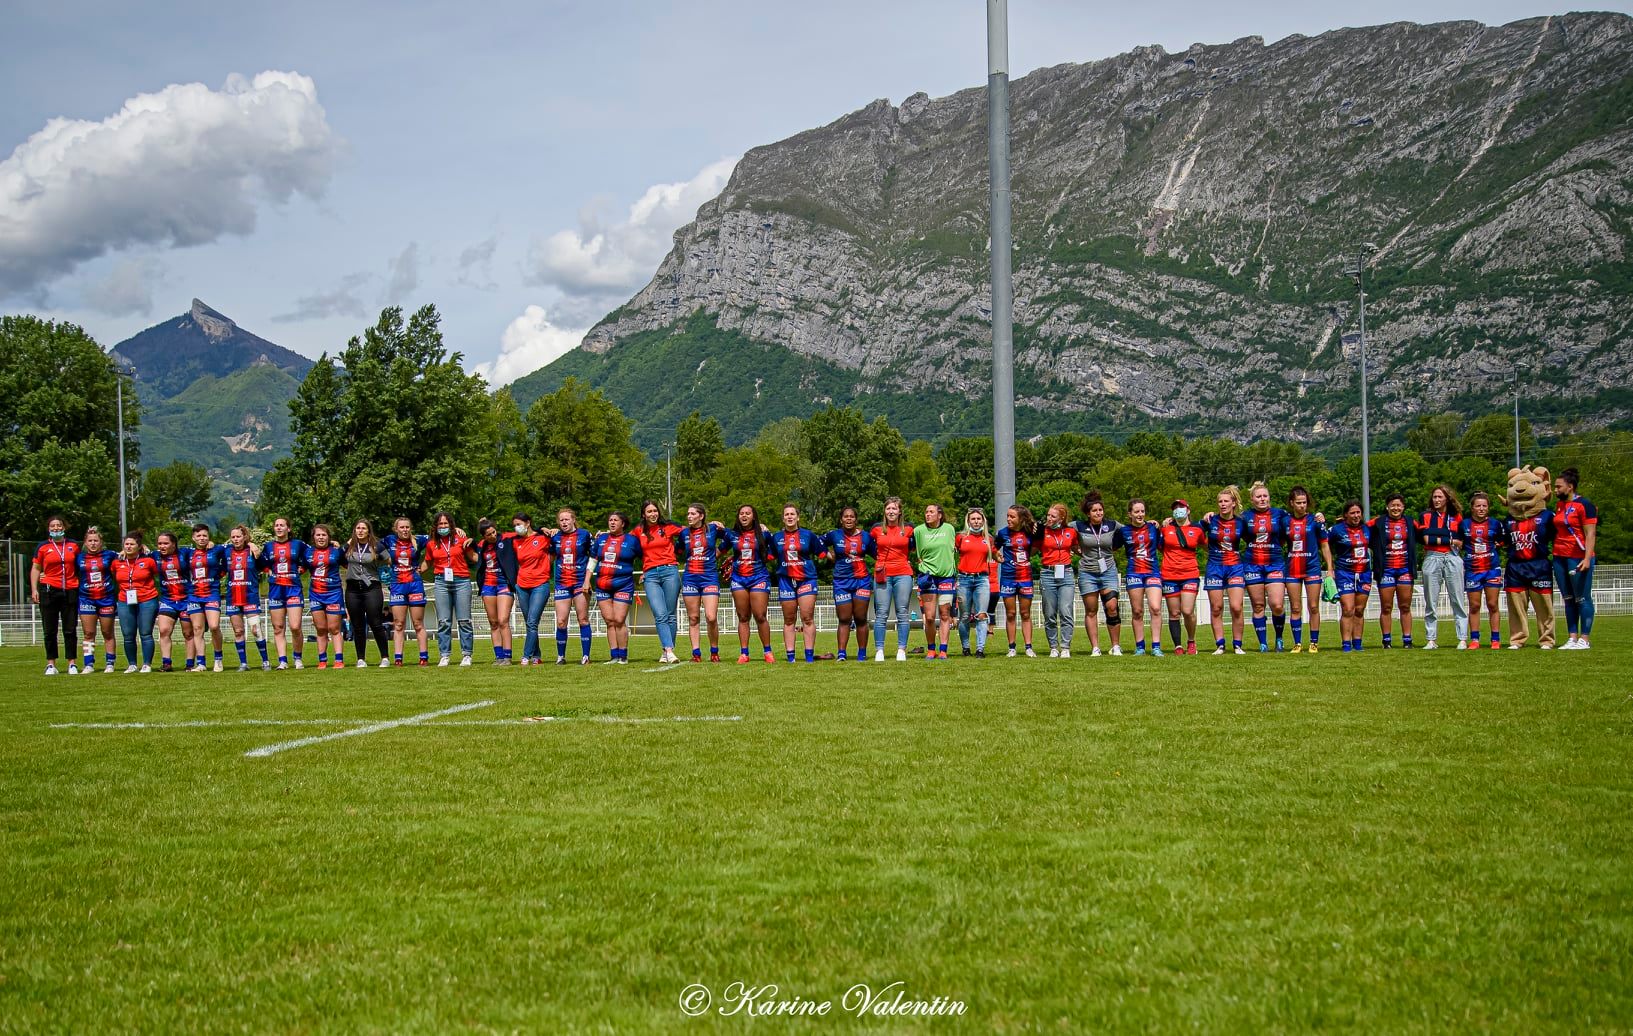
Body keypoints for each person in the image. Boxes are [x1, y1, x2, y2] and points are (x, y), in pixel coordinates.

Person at [770, 504, 827, 662]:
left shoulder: (808, 535)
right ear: (783, 518)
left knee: (807, 618)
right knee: (789, 619)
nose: (789, 517)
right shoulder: (776, 537)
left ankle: (809, 656)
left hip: (807, 579)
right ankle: (791, 657)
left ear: (798, 517)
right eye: (786, 514)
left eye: (792, 514)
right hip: (785, 580)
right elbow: (768, 556)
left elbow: (822, 553)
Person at [1414, 485, 1467, 650]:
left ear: (1447, 498)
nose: (1437, 500)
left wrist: (1439, 536)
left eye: (1440, 497)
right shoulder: (1426, 515)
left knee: (1457, 599)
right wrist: (1449, 539)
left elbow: (1461, 540)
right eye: (1435, 497)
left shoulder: (1456, 517)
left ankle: (1462, 638)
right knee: (1431, 600)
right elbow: (1426, 538)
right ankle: (1431, 639)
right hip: (1432, 557)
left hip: (1452, 557)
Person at [723, 505, 777, 663]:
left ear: (754, 516)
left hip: (759, 577)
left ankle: (767, 651)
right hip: (738, 578)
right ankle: (744, 653)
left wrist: (766, 559)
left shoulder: (764, 534)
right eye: (741, 513)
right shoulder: (732, 535)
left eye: (748, 513)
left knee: (760, 615)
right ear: (738, 516)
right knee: (743, 617)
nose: (744, 516)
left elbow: (774, 550)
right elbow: (719, 550)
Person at [1242, 482, 1291, 652]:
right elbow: (1238, 534)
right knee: (1258, 606)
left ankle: (1279, 638)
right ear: (1252, 499)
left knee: (1277, 604)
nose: (1262, 499)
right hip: (1252, 565)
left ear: (1269, 498)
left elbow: (1290, 532)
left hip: (1275, 563)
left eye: (1265, 496)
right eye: (1259, 496)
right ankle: (1263, 643)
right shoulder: (1245, 516)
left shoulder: (1280, 514)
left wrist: (1318, 517)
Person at [1552, 468, 1598, 650]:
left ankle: (1584, 638)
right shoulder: (1560, 505)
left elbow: (1591, 533)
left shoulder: (1584, 505)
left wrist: (1587, 559)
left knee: (1582, 598)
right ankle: (1572, 637)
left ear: (1570, 487)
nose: (1555, 490)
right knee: (1568, 598)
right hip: (1559, 556)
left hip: (1577, 556)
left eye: (1558, 487)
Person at [1505, 488, 1556, 650]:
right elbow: (1504, 541)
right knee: (1516, 608)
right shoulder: (1508, 519)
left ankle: (1546, 640)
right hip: (1515, 566)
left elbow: (1557, 535)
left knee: (1544, 607)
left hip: (1539, 565)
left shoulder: (1547, 516)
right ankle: (1517, 639)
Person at [635, 501, 685, 664]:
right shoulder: (638, 530)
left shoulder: (669, 527)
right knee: (660, 614)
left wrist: (711, 525)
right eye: (649, 511)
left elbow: (692, 531)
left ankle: (667, 650)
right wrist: (605, 534)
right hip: (650, 575)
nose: (652, 514)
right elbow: (622, 539)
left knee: (670, 614)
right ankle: (669, 651)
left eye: (655, 511)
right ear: (643, 514)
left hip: (670, 571)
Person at [589, 512, 642, 664]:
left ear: (623, 523)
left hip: (623, 584)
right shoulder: (601, 539)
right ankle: (614, 656)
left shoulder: (632, 540)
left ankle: (623, 656)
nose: (612, 523)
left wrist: (645, 572)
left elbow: (645, 556)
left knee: (619, 620)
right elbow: (593, 559)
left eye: (615, 520)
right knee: (609, 621)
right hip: (602, 585)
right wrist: (587, 580)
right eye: (610, 520)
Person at [1072, 491, 1121, 657]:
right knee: (1091, 610)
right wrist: (1076, 550)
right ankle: (1095, 647)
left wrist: (1152, 523)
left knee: (1112, 607)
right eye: (1094, 511)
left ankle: (1115, 646)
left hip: (1108, 570)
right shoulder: (1078, 526)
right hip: (1088, 573)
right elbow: (1062, 530)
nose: (1098, 513)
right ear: (1088, 513)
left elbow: (1132, 528)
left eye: (1100, 510)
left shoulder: (1113, 525)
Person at [30, 516, 81, 675]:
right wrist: (34, 589)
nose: (56, 528)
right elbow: (36, 568)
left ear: (64, 527)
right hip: (49, 590)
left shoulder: (73, 545)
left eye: (59, 525)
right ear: (48, 528)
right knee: (50, 629)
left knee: (70, 629)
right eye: (53, 526)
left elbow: (81, 563)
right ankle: (51, 664)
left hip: (70, 589)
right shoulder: (43, 547)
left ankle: (72, 663)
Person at [678, 505, 729, 662]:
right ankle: (696, 654)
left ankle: (714, 651)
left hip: (709, 577)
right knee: (693, 618)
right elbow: (677, 551)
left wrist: (719, 552)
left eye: (693, 513)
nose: (689, 516)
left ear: (701, 516)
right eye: (688, 513)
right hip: (690, 578)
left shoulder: (713, 528)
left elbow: (732, 538)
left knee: (711, 617)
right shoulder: (684, 533)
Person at [824, 507, 874, 661]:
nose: (849, 519)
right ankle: (841, 654)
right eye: (846, 516)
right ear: (841, 520)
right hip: (841, 582)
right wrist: (827, 555)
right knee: (844, 618)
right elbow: (816, 543)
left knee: (860, 618)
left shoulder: (866, 537)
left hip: (862, 581)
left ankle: (862, 653)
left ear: (856, 519)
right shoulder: (834, 535)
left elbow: (879, 553)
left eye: (852, 516)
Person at [1201, 488, 1247, 655]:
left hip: (1235, 567)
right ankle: (1220, 645)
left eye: (1226, 501)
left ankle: (1237, 645)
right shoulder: (1210, 520)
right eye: (1220, 501)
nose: (1223, 504)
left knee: (1236, 607)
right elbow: (1191, 531)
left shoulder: (1241, 522)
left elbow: (1253, 540)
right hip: (1214, 567)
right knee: (1216, 607)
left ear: (1233, 503)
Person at [258, 517, 308, 670]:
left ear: (289, 528)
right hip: (275, 589)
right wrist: (268, 570)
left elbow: (311, 556)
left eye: (282, 525)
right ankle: (283, 661)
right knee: (278, 627)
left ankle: (298, 658)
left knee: (295, 626)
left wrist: (302, 569)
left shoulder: (298, 544)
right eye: (276, 525)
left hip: (293, 588)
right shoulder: (268, 546)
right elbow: (261, 563)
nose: (279, 528)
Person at [425, 512, 474, 667]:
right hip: (441, 582)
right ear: (436, 526)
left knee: (464, 620)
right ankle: (444, 655)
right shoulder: (431, 543)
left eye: (446, 524)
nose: (443, 527)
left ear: (451, 525)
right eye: (440, 524)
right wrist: (414, 571)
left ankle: (467, 655)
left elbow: (474, 557)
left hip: (461, 581)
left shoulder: (461, 539)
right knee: (444, 621)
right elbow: (427, 562)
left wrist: (476, 542)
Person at [1282, 487, 1327, 654]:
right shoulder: (1285, 521)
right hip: (1292, 569)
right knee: (1295, 608)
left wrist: (1330, 568)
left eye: (1304, 502)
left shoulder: (1315, 521)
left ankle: (1314, 642)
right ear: (1292, 503)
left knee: (1313, 606)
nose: (1302, 506)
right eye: (1299, 503)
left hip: (1312, 567)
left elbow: (1324, 545)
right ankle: (1297, 643)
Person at [870, 497, 915, 662]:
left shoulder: (909, 528)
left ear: (900, 511)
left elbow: (916, 546)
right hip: (883, 574)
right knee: (881, 613)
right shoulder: (876, 529)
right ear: (884, 511)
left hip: (903, 573)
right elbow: (868, 547)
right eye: (888, 509)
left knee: (902, 612)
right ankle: (879, 650)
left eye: (894, 509)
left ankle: (901, 649)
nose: (891, 512)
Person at [380, 517, 430, 666]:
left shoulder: (419, 540)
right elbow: (373, 544)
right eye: (401, 527)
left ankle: (423, 658)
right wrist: (387, 559)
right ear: (396, 529)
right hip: (397, 585)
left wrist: (425, 565)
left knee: (418, 623)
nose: (405, 530)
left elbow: (437, 540)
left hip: (415, 584)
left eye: (407, 527)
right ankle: (398, 659)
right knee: (399, 623)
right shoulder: (389, 540)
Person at [505, 513, 554, 665]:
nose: (516, 527)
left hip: (540, 584)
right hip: (522, 585)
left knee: (532, 622)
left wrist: (546, 566)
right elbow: (499, 536)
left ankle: (526, 655)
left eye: (519, 524)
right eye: (514, 525)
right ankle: (536, 655)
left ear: (527, 523)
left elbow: (556, 546)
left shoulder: (542, 538)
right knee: (529, 623)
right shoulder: (515, 541)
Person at [1370, 494, 1418, 648]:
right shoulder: (1378, 522)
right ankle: (1386, 641)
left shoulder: (1410, 522)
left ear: (1403, 507)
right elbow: (1362, 530)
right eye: (1393, 505)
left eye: (1399, 505)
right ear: (1387, 507)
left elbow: (1424, 534)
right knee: (1386, 607)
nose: (1396, 508)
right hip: (1386, 570)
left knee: (1405, 606)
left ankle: (1407, 640)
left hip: (1405, 569)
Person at [343, 520, 391, 667]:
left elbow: (389, 560)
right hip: (353, 589)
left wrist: (384, 572)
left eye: (364, 528)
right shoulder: (349, 546)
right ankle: (361, 659)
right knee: (357, 625)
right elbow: (338, 556)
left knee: (375, 622)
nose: (360, 531)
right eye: (358, 528)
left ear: (369, 531)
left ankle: (384, 657)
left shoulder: (377, 546)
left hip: (372, 587)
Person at [1159, 499, 1205, 655]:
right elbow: (1158, 547)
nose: (1178, 510)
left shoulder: (1197, 529)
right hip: (1169, 574)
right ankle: (1178, 646)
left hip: (1190, 574)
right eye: (1175, 508)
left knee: (1187, 610)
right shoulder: (1166, 529)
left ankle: (1191, 641)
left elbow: (1207, 546)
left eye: (1181, 507)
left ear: (1188, 510)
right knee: (1174, 613)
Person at [912, 503, 958, 660]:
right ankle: (931, 649)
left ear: (939, 515)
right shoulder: (918, 531)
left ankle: (943, 650)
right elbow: (914, 550)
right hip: (927, 577)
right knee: (930, 617)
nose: (927, 514)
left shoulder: (949, 529)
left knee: (945, 615)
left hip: (946, 577)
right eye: (926, 512)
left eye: (931, 512)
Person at [1460, 492, 1505, 649]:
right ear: (1472, 508)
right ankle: (1475, 640)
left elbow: (1503, 541)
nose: (1481, 508)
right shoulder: (1464, 524)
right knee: (1474, 605)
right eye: (1478, 506)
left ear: (1488, 508)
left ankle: (1495, 639)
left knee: (1493, 604)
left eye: (1484, 506)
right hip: (1472, 569)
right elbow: (1458, 542)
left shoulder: (1496, 524)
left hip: (1491, 568)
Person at [110, 532, 160, 673]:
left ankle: (146, 664)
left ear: (139, 546)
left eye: (132, 544)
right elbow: (113, 574)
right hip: (125, 600)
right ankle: (132, 664)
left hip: (147, 599)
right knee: (128, 634)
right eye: (126, 544)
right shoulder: (117, 562)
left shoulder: (149, 561)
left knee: (145, 633)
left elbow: (157, 573)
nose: (129, 547)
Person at [993, 505, 1038, 657]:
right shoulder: (1003, 533)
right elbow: (993, 548)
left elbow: (1035, 549)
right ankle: (1011, 647)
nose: (1008, 519)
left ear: (1021, 519)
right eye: (1008, 516)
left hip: (1025, 577)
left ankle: (1028, 647)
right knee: (1010, 613)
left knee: (1025, 613)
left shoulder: (1030, 532)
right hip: (1008, 577)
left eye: (1012, 517)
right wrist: (997, 556)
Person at [1328, 500, 1373, 652]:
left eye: (1358, 512)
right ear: (1345, 515)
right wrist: (1330, 566)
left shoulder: (1367, 529)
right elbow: (1324, 544)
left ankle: (1358, 643)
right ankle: (1346, 643)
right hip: (1344, 573)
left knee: (1359, 609)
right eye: (1352, 513)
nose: (1356, 515)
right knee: (1348, 609)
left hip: (1364, 573)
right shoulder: (1336, 530)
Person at [1119, 500, 1162, 656]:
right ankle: (1140, 647)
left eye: (1142, 511)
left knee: (1155, 608)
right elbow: (1110, 547)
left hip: (1152, 572)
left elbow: (1164, 545)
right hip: (1134, 572)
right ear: (1130, 514)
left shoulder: (1153, 528)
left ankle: (1156, 646)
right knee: (1137, 611)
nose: (1140, 514)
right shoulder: (1124, 531)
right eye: (1136, 512)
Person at [550, 510, 593, 665]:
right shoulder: (555, 538)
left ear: (574, 520)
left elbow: (594, 556)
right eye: (561, 520)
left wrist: (588, 579)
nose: (564, 522)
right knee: (561, 621)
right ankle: (561, 656)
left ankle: (586, 656)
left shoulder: (585, 535)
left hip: (580, 582)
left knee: (583, 619)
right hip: (562, 583)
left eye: (567, 519)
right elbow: (550, 557)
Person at [469, 520, 516, 664]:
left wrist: (544, 529)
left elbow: (526, 532)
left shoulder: (507, 539)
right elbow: (475, 557)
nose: (493, 536)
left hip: (504, 584)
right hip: (488, 586)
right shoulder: (482, 546)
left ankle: (507, 656)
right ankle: (499, 656)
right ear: (483, 536)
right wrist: (470, 541)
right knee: (494, 622)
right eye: (489, 534)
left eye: (494, 532)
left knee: (503, 621)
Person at [150, 531, 197, 672]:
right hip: (168, 599)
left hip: (186, 599)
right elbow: (136, 550)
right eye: (159, 543)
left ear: (174, 544)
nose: (162, 546)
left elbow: (203, 549)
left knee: (188, 633)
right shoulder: (155, 556)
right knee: (164, 630)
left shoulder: (185, 553)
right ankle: (166, 663)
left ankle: (189, 664)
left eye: (165, 543)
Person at [185, 523, 228, 672]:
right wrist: (144, 547)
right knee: (197, 629)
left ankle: (218, 659)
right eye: (199, 536)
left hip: (212, 593)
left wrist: (252, 544)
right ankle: (201, 663)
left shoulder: (217, 550)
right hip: (194, 595)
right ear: (193, 538)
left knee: (214, 626)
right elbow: (166, 552)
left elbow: (236, 547)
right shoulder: (187, 553)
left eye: (204, 535)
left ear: (209, 537)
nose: (202, 538)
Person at [303, 525, 347, 669]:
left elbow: (348, 565)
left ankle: (339, 660)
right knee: (321, 629)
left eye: (324, 535)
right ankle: (322, 660)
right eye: (318, 535)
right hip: (316, 594)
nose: (321, 537)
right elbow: (301, 568)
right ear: (313, 537)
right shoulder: (308, 552)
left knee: (334, 628)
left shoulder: (336, 551)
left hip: (333, 594)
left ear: (329, 537)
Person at [75, 527, 118, 674]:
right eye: (90, 541)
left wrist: (143, 548)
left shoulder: (110, 555)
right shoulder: (79, 557)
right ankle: (88, 664)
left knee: (107, 632)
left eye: (96, 541)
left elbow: (129, 554)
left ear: (101, 542)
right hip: (86, 599)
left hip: (106, 598)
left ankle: (110, 663)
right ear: (85, 543)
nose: (93, 543)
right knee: (88, 633)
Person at [1037, 503, 1077, 658]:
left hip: (1066, 572)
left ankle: (1065, 646)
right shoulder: (1042, 532)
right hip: (1048, 573)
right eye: (1048, 515)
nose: (1049, 518)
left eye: (1053, 516)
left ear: (1062, 518)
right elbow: (1032, 546)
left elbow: (1076, 548)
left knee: (1066, 610)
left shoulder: (1070, 532)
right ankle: (1053, 646)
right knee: (1050, 612)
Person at [955, 509, 994, 657]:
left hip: (982, 580)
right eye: (973, 519)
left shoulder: (988, 539)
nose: (976, 521)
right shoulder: (961, 537)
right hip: (964, 579)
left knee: (981, 615)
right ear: (968, 521)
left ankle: (980, 649)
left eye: (979, 519)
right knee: (964, 616)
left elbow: (996, 553)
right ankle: (965, 647)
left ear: (983, 521)